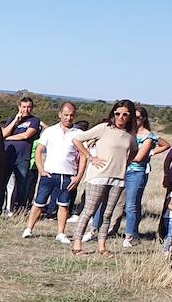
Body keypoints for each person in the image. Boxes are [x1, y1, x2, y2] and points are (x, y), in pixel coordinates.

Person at [71, 100, 137, 256]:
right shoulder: (103, 128)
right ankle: (77, 244)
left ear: (130, 117)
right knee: (89, 210)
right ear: (113, 114)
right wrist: (89, 157)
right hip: (99, 175)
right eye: (117, 113)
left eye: (125, 114)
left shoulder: (130, 135)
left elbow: (134, 150)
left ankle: (102, 246)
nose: (121, 117)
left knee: (108, 213)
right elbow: (77, 139)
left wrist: (126, 163)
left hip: (118, 178)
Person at [23, 102, 84, 243]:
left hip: (68, 175)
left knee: (64, 205)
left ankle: (61, 233)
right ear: (60, 115)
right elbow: (38, 151)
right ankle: (29, 229)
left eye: (71, 115)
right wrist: (41, 169)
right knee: (39, 203)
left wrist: (79, 177)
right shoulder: (49, 131)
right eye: (66, 115)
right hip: (49, 174)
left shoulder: (79, 134)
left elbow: (83, 156)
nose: (68, 118)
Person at [0, 96, 41, 216]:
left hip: (23, 157)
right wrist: (15, 120)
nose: (26, 110)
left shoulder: (34, 120)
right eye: (24, 107)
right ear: (19, 107)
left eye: (29, 107)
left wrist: (9, 138)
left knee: (22, 185)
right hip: (8, 155)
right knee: (1, 184)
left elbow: (26, 135)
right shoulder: (12, 119)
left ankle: (19, 210)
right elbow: (4, 133)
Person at [121, 106, 159, 247]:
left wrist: (151, 153)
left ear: (143, 118)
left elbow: (138, 157)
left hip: (136, 171)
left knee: (131, 205)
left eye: (137, 117)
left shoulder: (148, 136)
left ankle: (130, 235)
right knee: (122, 203)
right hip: (122, 169)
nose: (134, 120)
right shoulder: (127, 132)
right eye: (132, 117)